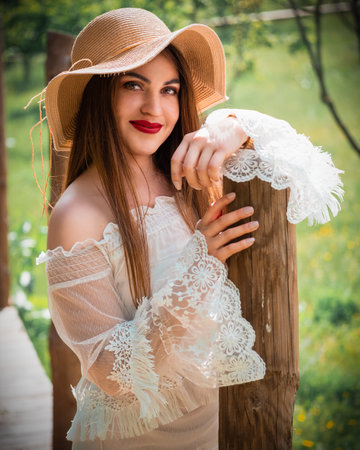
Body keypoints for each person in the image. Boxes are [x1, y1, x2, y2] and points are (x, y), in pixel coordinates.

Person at [36, 7, 343, 450]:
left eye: (170, 89)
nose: (154, 108)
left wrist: (233, 128)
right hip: (139, 441)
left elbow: (312, 173)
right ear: (97, 95)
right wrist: (200, 268)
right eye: (133, 85)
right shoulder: (76, 215)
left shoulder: (187, 171)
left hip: (219, 425)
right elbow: (111, 369)